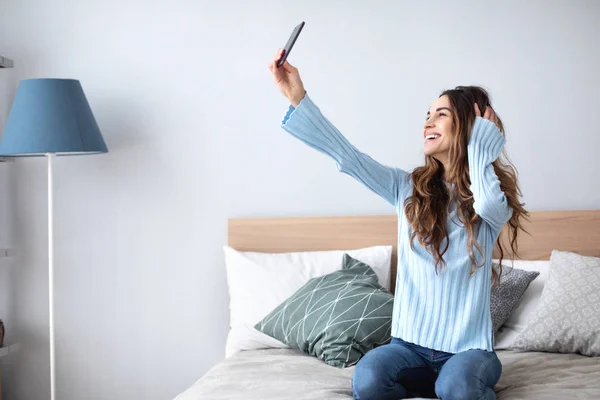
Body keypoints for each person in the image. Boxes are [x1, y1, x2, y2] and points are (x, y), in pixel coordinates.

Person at [268, 48, 528, 400]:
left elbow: (486, 201)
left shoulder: (491, 203)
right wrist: (297, 97)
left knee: (456, 387)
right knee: (369, 377)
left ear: (469, 128)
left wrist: (480, 148)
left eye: (441, 115)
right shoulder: (405, 188)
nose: (428, 122)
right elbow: (348, 157)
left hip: (469, 354)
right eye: (427, 115)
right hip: (410, 350)